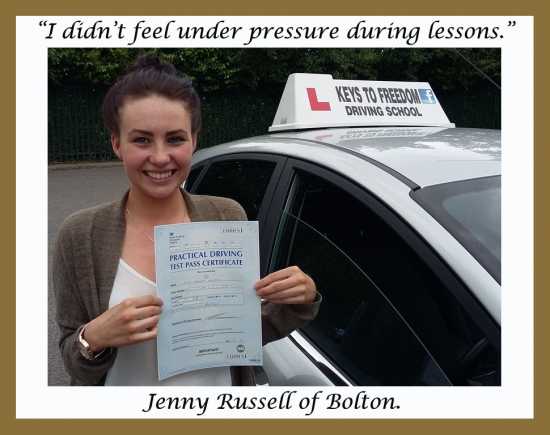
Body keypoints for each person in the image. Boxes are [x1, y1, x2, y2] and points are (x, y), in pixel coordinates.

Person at [53, 54, 321, 386]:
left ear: (194, 140)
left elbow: (243, 332)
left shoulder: (226, 216)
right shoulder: (80, 235)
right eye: (141, 139)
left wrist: (301, 299)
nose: (160, 156)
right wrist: (93, 336)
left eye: (176, 139)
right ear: (116, 144)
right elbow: (72, 358)